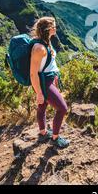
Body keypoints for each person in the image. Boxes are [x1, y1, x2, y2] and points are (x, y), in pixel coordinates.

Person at [29, 17, 70, 148]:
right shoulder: (39, 48)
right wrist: (39, 92)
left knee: (42, 107)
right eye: (53, 26)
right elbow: (33, 73)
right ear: (48, 29)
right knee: (62, 108)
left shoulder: (46, 42)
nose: (55, 28)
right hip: (44, 82)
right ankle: (55, 138)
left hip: (50, 79)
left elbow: (48, 63)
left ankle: (43, 132)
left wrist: (55, 75)